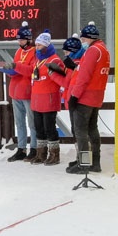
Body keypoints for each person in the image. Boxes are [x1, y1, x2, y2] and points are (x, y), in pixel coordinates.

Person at [66, 22, 110, 174]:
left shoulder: (92, 51)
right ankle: (95, 162)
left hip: (85, 96)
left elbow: (84, 76)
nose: (82, 42)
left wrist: (74, 96)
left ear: (89, 38)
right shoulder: (104, 50)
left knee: (80, 131)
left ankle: (84, 164)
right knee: (92, 129)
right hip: (97, 95)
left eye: (83, 39)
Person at [1, 22, 37, 162]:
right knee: (19, 123)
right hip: (15, 92)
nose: (20, 42)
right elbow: (17, 70)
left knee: (32, 122)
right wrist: (10, 70)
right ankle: (21, 148)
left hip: (28, 92)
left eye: (22, 39)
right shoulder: (18, 52)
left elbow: (31, 71)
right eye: (18, 40)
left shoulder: (34, 52)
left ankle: (34, 148)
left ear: (28, 39)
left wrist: (17, 66)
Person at [47, 34, 83, 167]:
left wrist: (53, 75)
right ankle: (80, 157)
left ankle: (83, 159)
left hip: (75, 100)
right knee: (77, 131)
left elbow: (67, 83)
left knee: (78, 131)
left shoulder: (75, 64)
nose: (65, 54)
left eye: (67, 51)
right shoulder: (74, 63)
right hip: (72, 99)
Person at [29, 30, 65, 165]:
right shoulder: (37, 60)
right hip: (37, 99)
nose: (36, 47)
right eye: (36, 45)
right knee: (38, 127)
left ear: (46, 45)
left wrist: (55, 71)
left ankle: (54, 154)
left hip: (49, 99)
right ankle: (41, 153)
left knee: (49, 127)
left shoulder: (55, 59)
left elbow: (62, 78)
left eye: (39, 45)